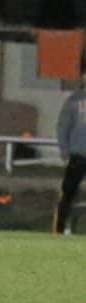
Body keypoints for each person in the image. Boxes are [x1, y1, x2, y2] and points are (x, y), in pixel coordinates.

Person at [54, 74, 86, 234]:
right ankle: (59, 227)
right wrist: (65, 152)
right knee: (68, 193)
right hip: (78, 155)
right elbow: (63, 127)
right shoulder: (74, 101)